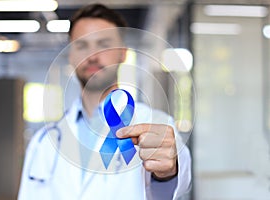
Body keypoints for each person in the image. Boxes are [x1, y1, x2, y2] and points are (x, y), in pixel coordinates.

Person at [18, 3, 191, 200]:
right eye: (82, 45)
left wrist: (168, 170)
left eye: (104, 44)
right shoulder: (43, 141)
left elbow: (174, 186)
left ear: (123, 53)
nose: (92, 56)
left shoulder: (156, 125)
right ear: (71, 56)